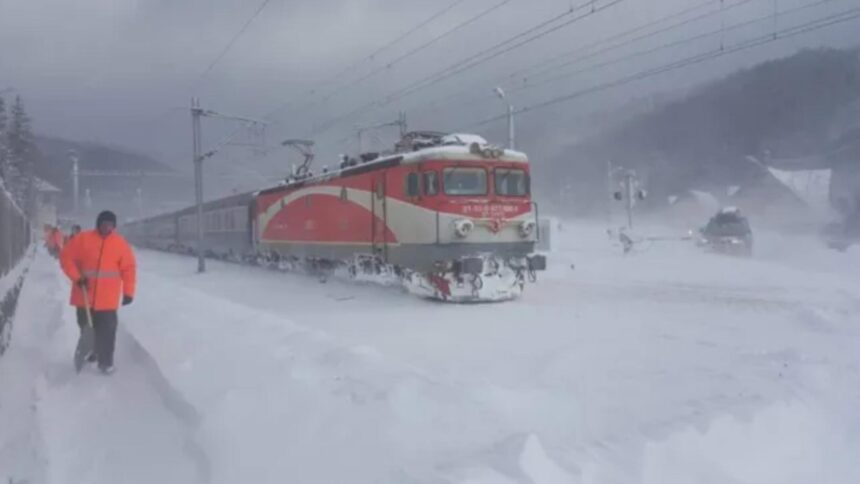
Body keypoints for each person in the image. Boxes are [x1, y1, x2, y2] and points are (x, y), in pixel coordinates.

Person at [60, 211, 136, 374]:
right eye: (104, 224)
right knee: (86, 329)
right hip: (84, 298)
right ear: (98, 223)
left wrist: (128, 292)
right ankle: (91, 352)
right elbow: (66, 258)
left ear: (114, 226)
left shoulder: (120, 244)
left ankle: (106, 362)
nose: (106, 227)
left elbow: (129, 269)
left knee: (108, 332)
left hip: (107, 300)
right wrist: (77, 278)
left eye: (110, 224)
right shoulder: (83, 239)